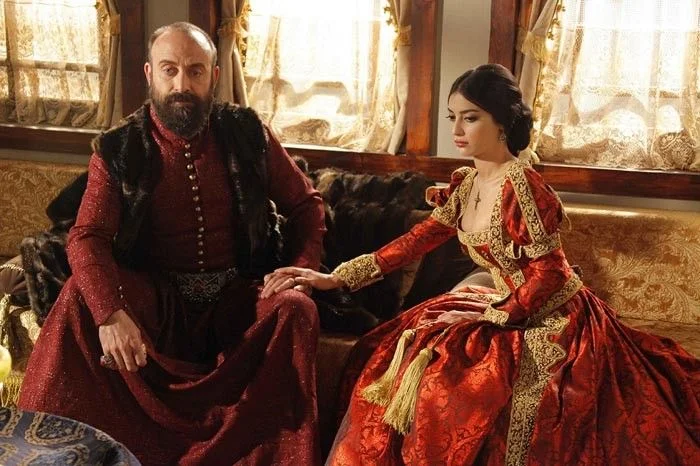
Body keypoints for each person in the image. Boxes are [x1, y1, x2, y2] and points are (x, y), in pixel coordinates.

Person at [268, 64, 700, 465]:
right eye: (452, 117)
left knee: (460, 383)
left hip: (549, 314)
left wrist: (493, 316)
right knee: (393, 350)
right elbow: (417, 240)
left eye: (470, 118)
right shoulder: (468, 183)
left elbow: (550, 274)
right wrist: (336, 278)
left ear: (502, 123)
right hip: (502, 301)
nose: (456, 130)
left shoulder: (523, 187)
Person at [18, 22, 326, 466]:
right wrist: (110, 313)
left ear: (214, 76)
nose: (182, 84)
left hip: (238, 297)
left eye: (195, 71)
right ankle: (48, 452)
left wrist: (301, 270)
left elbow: (306, 205)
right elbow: (87, 236)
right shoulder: (119, 148)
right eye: (170, 70)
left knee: (297, 308)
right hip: (157, 304)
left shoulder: (247, 132)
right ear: (150, 73)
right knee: (77, 298)